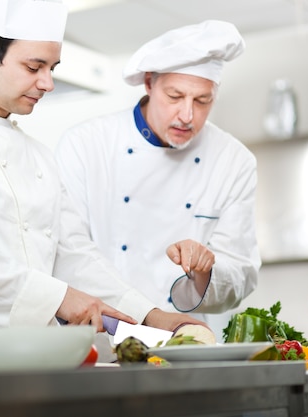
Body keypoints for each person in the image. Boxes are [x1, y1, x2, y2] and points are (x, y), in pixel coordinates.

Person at [0, 0, 207, 376]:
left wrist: (150, 315)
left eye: (52, 68)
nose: (47, 83)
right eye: (34, 67)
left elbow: (73, 255)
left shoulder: (38, 156)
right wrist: (60, 299)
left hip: (40, 372)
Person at [55, 20, 261, 341]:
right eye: (175, 96)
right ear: (149, 83)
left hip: (186, 338)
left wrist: (207, 272)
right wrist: (149, 316)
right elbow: (70, 252)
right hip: (104, 335)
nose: (187, 115)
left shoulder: (233, 161)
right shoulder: (86, 145)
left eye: (202, 100)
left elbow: (243, 272)